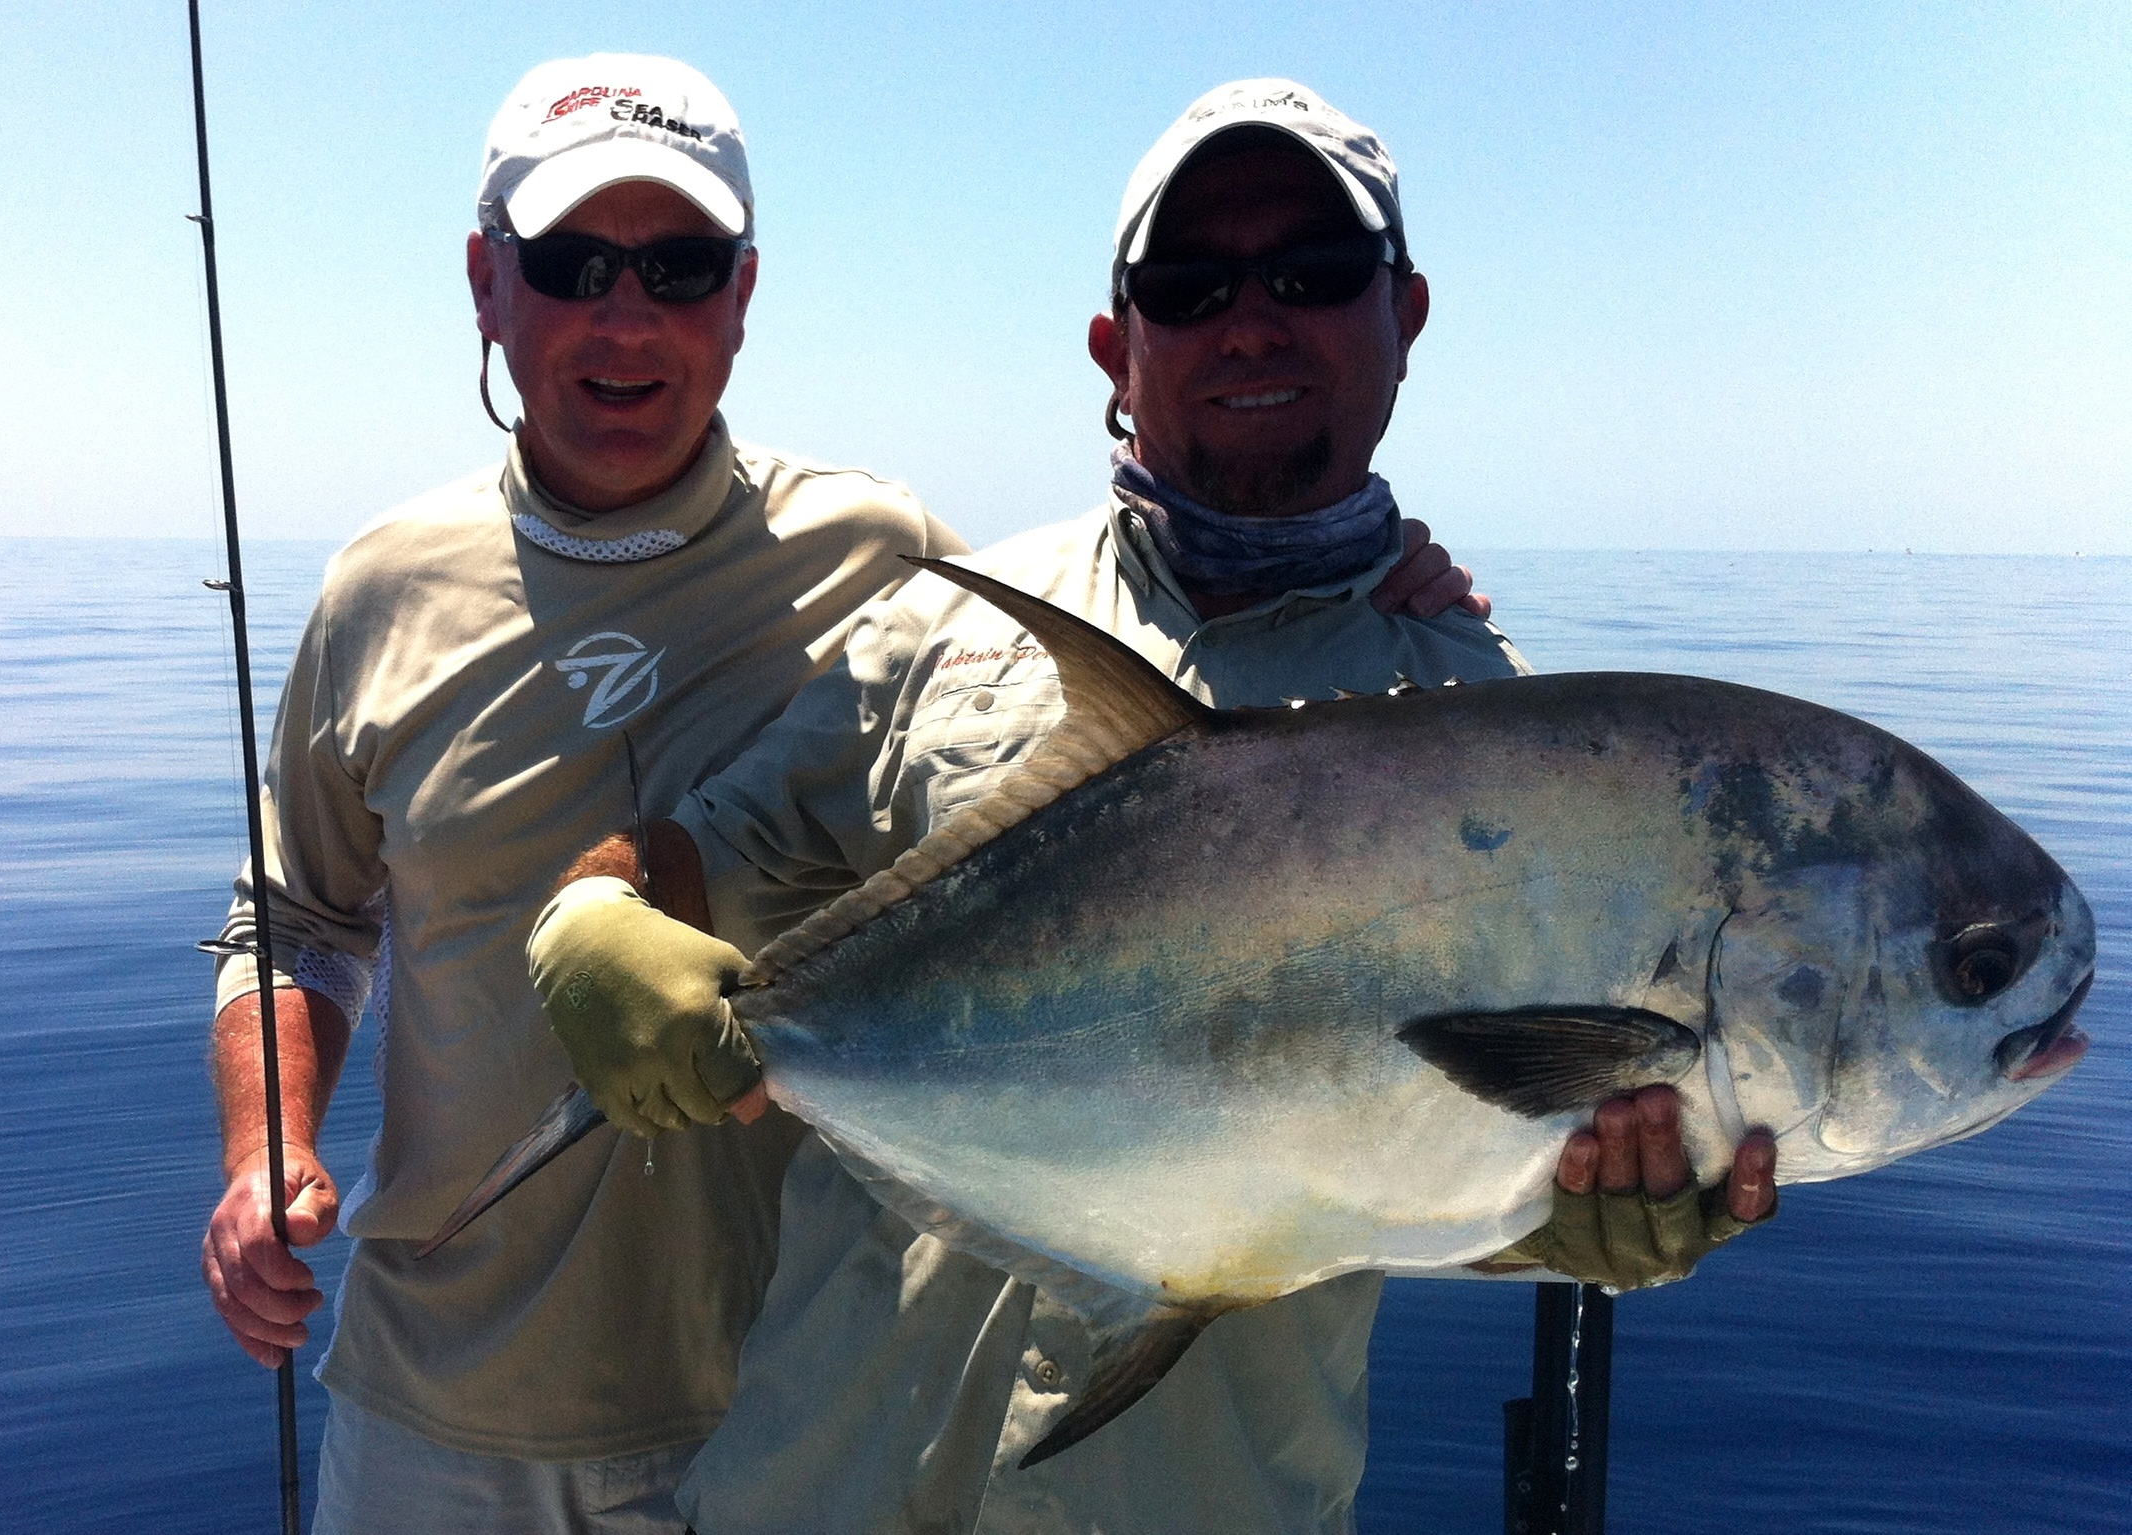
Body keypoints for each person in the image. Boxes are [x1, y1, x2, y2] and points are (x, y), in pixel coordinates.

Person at [198, 59, 1491, 1534]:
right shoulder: (379, 585)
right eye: (572, 265)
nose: (628, 316)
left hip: (751, 1391)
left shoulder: (890, 557)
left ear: (741, 297)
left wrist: (1415, 641)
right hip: (442, 1396)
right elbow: (293, 913)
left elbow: (1136, 665)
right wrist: (266, 1154)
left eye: (678, 267)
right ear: (489, 284)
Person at [528, 81, 1776, 1534]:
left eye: (1311, 274)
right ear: (1118, 348)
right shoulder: (944, 628)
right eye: (1190, 286)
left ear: (1405, 316)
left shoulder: (1496, 746)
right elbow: (718, 847)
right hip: (818, 1488)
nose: (1251, 321)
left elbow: (1425, 1168)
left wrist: (1572, 1217)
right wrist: (597, 910)